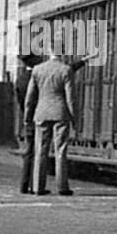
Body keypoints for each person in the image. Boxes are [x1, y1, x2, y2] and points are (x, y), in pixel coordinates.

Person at [23, 48, 76, 196]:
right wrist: (73, 117)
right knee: (60, 151)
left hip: (41, 113)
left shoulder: (37, 70)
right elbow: (70, 97)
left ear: (49, 52)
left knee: (40, 150)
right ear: (63, 53)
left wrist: (27, 116)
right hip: (60, 113)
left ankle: (37, 187)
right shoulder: (66, 70)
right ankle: (62, 187)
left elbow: (30, 97)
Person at [14, 54, 41, 193]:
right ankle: (35, 185)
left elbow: (20, 101)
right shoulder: (38, 78)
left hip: (28, 119)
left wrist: (26, 116)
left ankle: (24, 185)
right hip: (40, 118)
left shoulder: (20, 79)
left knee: (29, 152)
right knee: (39, 152)